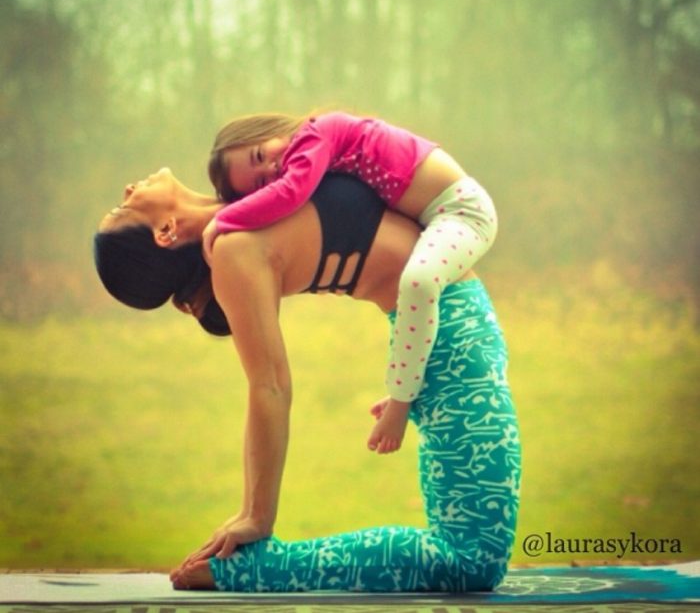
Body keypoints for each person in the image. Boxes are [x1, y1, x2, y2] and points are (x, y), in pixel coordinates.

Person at [94, 167, 520, 593]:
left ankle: (255, 567)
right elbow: (270, 385)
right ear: (166, 231)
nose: (128, 187)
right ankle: (256, 569)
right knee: (472, 562)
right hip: (455, 342)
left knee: (471, 556)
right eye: (122, 207)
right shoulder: (233, 251)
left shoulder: (250, 180)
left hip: (443, 337)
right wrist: (256, 515)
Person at [205, 111, 498, 454]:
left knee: (418, 283)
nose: (271, 169)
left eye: (259, 155)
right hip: (439, 218)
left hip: (463, 212)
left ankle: (402, 402)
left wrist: (221, 220)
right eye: (260, 184)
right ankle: (406, 389)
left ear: (265, 130)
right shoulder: (315, 154)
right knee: (416, 284)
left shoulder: (317, 134)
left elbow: (290, 193)